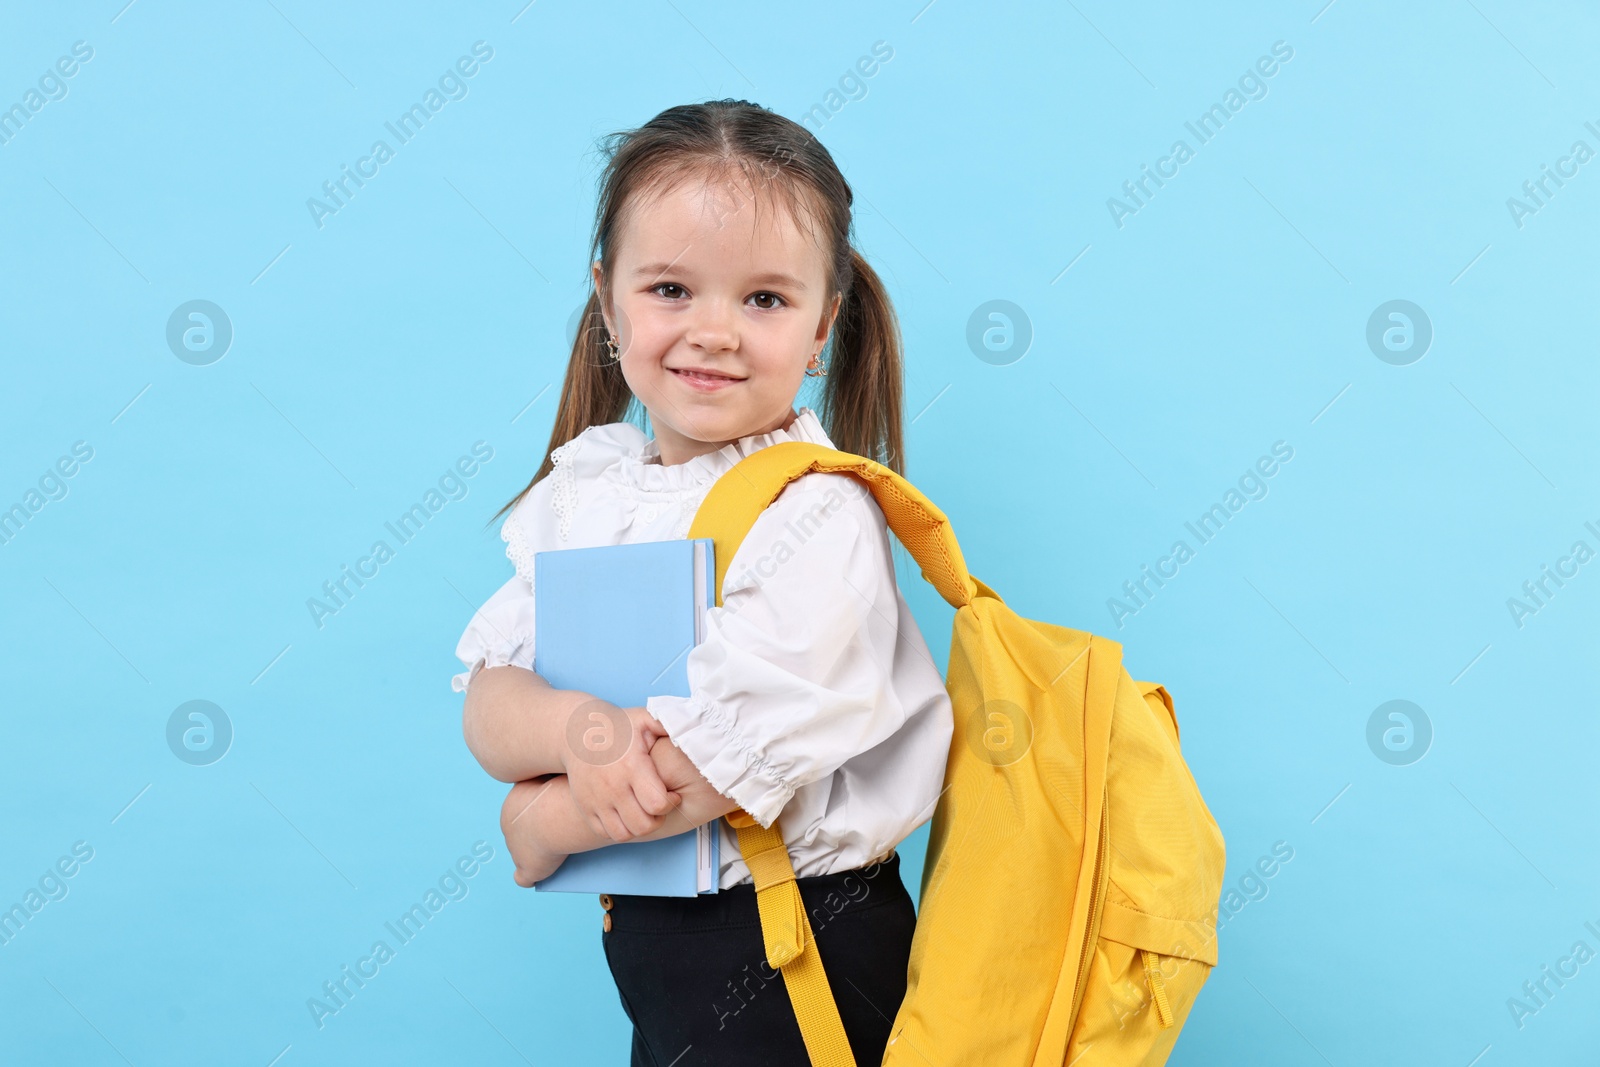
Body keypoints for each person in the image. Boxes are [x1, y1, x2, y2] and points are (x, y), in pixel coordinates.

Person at [451, 98, 952, 1066]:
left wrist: (539, 817)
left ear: (822, 326)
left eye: (763, 299)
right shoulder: (584, 494)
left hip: (799, 946)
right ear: (608, 303)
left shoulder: (815, 513)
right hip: (659, 945)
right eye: (671, 288)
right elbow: (493, 689)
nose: (713, 331)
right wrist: (571, 730)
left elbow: (715, 762)